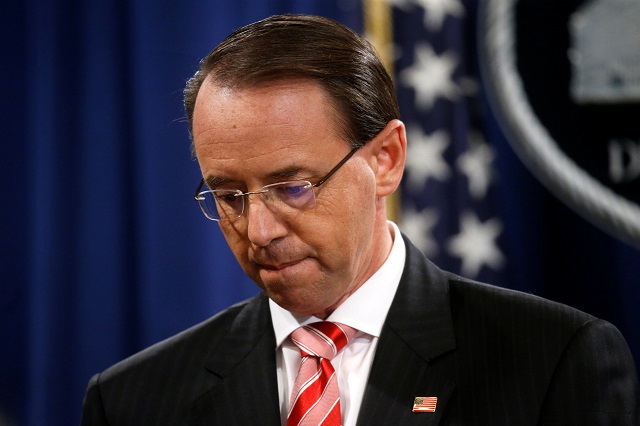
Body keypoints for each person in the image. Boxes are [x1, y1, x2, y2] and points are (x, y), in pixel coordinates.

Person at [81, 14, 639, 425]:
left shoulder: (555, 362)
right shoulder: (133, 400)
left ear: (387, 160)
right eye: (228, 197)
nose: (258, 232)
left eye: (293, 187)